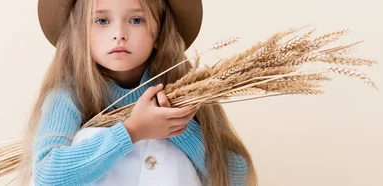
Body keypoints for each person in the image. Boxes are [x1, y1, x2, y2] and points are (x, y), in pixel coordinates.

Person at [17, 0, 257, 185]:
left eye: (136, 20)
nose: (119, 33)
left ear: (159, 34)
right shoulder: (70, 95)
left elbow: (234, 175)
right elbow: (46, 176)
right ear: (81, 35)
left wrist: (176, 126)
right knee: (87, 139)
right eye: (102, 21)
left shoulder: (182, 89)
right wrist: (133, 131)